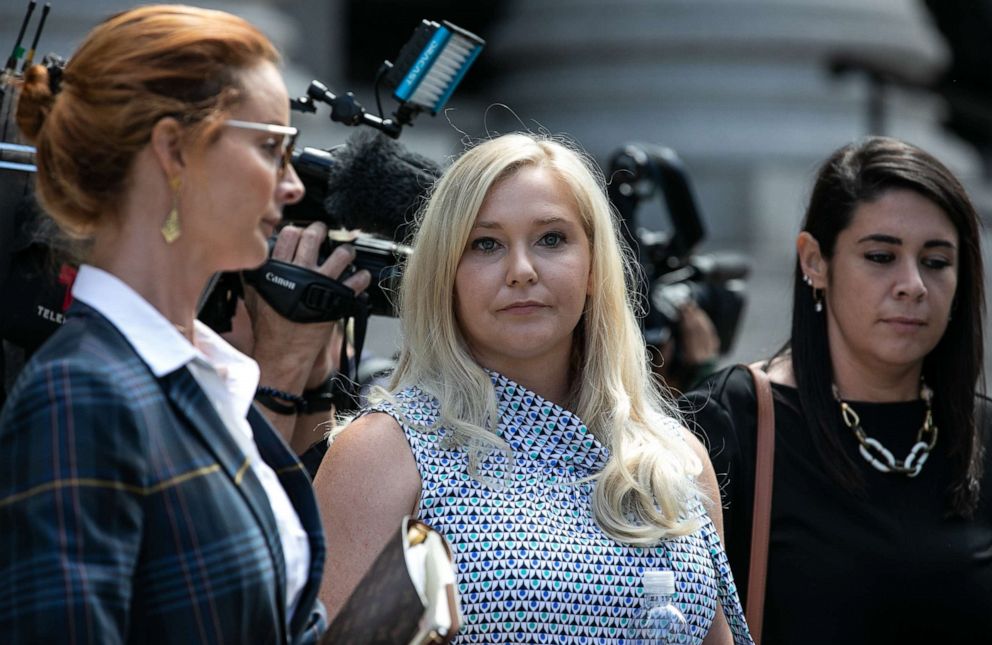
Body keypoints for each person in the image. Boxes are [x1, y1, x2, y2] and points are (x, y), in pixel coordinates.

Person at [0, 5, 365, 642]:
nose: (290, 186)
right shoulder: (81, 395)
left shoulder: (203, 376)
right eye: (271, 147)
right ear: (173, 149)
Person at [313, 133, 753, 643]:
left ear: (593, 266)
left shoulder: (675, 458)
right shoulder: (384, 452)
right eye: (486, 244)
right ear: (445, 275)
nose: (521, 271)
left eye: (551, 239)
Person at [681, 136, 991, 644]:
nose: (912, 283)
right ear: (814, 262)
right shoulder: (733, 423)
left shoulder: (982, 435)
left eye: (936, 262)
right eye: (880, 256)